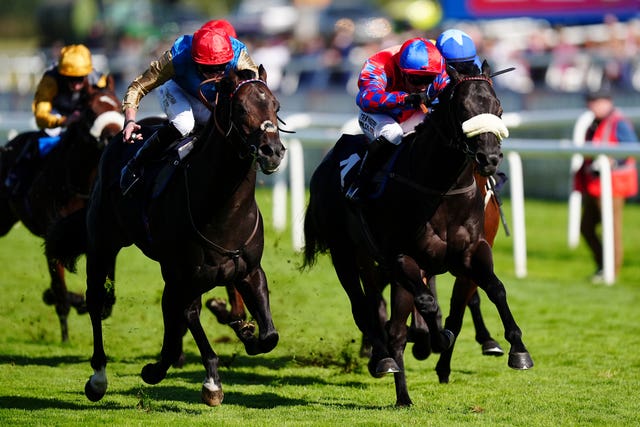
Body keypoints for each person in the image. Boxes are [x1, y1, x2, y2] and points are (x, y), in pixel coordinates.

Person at [120, 24, 258, 195]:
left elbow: (256, 93)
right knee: (184, 124)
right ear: (195, 60)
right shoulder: (177, 57)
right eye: (209, 68)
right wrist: (130, 120)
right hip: (178, 89)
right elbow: (138, 87)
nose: (216, 74)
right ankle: (136, 163)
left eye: (221, 67)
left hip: (209, 96)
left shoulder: (239, 56)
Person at [345, 37, 449, 201]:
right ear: (401, 70)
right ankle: (362, 179)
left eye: (428, 79)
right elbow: (365, 99)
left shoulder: (439, 66)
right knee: (392, 133)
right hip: (379, 114)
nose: (422, 86)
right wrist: (404, 99)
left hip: (414, 114)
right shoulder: (379, 64)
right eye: (416, 79)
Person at [4, 44, 107, 194]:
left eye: (80, 78)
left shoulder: (98, 80)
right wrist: (65, 121)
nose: (77, 84)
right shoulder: (50, 80)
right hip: (58, 116)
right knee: (47, 138)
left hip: (83, 117)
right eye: (71, 78)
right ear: (62, 73)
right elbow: (40, 116)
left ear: (88, 72)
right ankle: (20, 179)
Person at [573, 88, 638, 283]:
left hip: (614, 185)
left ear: (607, 102)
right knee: (586, 228)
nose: (592, 106)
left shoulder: (619, 123)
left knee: (612, 229)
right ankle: (603, 264)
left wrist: (613, 162)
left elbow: (631, 149)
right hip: (595, 185)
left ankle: (612, 271)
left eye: (596, 101)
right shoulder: (593, 123)